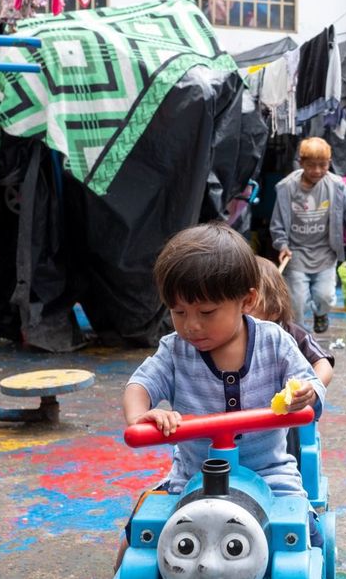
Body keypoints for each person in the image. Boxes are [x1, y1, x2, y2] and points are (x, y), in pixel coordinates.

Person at [118, 223, 326, 569]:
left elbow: (309, 383)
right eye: (179, 312)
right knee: (140, 535)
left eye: (206, 312)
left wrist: (304, 394)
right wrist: (140, 416)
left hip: (269, 471)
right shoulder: (174, 351)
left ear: (247, 300)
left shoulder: (274, 342)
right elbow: (139, 386)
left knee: (302, 532)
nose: (191, 326)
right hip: (192, 475)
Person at [271, 137, 346, 334]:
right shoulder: (286, 188)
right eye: (311, 166)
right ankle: (299, 340)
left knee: (324, 296)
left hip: (326, 253)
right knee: (297, 302)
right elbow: (278, 222)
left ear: (329, 163)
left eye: (322, 165)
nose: (317, 171)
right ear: (301, 163)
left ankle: (321, 313)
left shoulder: (337, 186)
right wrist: (282, 245)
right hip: (297, 253)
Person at [252, 255, 334, 387]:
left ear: (274, 311)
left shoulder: (290, 332)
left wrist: (311, 388)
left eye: (248, 304)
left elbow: (323, 362)